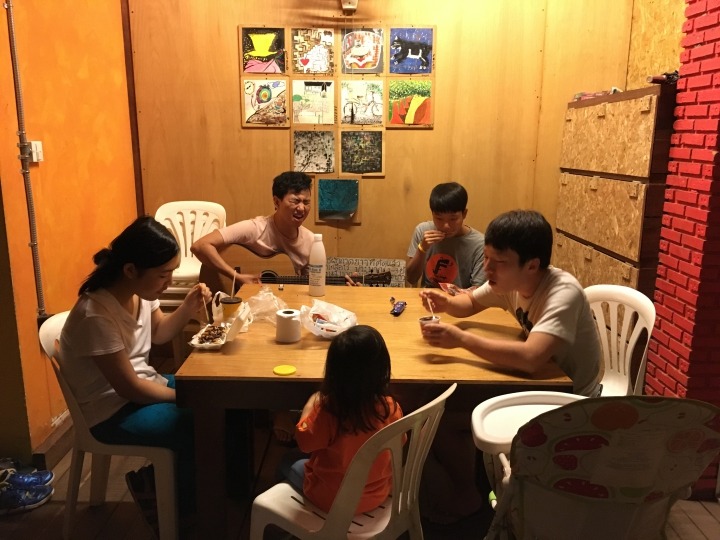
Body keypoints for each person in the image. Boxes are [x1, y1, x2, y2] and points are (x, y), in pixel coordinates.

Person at [418, 209, 602, 523]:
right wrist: (446, 303)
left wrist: (460, 340)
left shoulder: (562, 292)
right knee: (445, 402)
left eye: (497, 261)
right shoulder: (512, 280)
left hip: (571, 399)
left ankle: (466, 497)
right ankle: (474, 478)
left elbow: (531, 359)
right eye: (486, 257)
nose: (487, 268)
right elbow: (471, 302)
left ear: (531, 264)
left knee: (446, 421)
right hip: (537, 383)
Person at [58, 216, 212, 532]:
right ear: (130, 270)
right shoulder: (96, 315)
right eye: (163, 275)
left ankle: (217, 491)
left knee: (220, 398)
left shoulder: (139, 294)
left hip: (142, 388)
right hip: (111, 412)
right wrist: (184, 396)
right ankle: (178, 507)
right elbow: (129, 388)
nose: (169, 281)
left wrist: (187, 307)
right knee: (195, 419)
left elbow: (159, 332)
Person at [281, 325, 403, 514]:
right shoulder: (390, 407)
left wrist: (312, 402)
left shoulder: (329, 410)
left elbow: (305, 443)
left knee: (287, 461)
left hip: (334, 500)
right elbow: (401, 441)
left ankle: (295, 521)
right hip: (378, 494)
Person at [190, 170, 315, 286]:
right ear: (277, 202)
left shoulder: (311, 241)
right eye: (295, 201)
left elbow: (309, 286)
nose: (301, 208)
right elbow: (200, 246)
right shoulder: (255, 228)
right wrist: (236, 277)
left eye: (306, 202)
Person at [406, 182, 485, 290]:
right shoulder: (423, 231)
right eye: (439, 218)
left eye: (453, 219)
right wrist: (422, 249)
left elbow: (479, 290)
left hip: (461, 299)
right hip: (427, 297)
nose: (446, 226)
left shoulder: (479, 243)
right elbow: (411, 279)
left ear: (464, 214)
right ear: (432, 214)